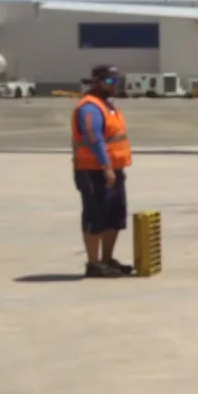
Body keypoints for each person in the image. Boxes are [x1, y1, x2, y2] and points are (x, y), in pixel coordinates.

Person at [72, 64, 134, 278]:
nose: (114, 85)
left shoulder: (108, 106)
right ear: (96, 82)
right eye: (109, 81)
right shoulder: (90, 107)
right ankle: (93, 263)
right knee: (95, 215)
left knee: (114, 216)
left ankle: (107, 259)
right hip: (93, 171)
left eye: (116, 81)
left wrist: (117, 168)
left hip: (113, 170)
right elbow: (94, 139)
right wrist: (106, 166)